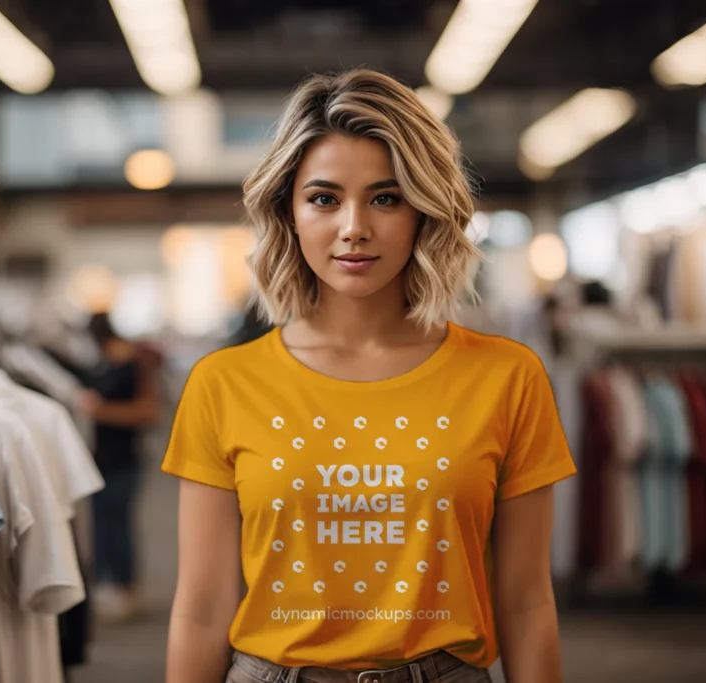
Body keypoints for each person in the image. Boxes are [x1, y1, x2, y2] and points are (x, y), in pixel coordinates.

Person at [161, 69, 576, 683]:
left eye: (386, 197)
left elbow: (527, 604)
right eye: (324, 198)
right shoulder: (223, 384)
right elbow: (201, 611)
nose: (354, 226)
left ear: (423, 211)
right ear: (290, 213)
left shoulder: (508, 378)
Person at [79, 312, 161, 622]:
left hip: (124, 457)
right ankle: (108, 583)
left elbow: (148, 411)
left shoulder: (134, 364)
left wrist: (101, 411)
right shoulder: (100, 365)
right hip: (98, 457)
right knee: (102, 522)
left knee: (118, 522)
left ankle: (125, 587)